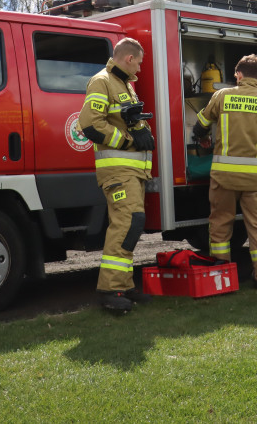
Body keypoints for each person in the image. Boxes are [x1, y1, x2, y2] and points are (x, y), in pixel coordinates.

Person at [193, 54, 257, 289]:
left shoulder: (222, 96)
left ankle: (221, 279)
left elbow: (200, 127)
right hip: (256, 179)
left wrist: (205, 138)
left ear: (237, 75)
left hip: (223, 178)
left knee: (220, 227)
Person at [78, 38, 156, 313]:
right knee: (126, 224)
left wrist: (139, 131)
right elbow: (89, 125)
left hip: (132, 170)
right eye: (140, 61)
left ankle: (124, 285)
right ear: (129, 58)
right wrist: (128, 140)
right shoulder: (102, 81)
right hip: (118, 170)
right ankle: (110, 290)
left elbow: (122, 119)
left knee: (132, 224)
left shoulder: (125, 84)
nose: (140, 67)